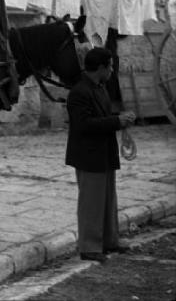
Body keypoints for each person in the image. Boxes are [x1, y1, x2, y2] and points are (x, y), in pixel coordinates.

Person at [65, 47, 136, 263]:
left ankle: (109, 240)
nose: (112, 71)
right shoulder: (79, 92)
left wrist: (119, 118)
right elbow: (84, 125)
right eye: (111, 66)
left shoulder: (99, 87)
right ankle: (89, 246)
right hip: (88, 155)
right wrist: (117, 121)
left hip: (103, 152)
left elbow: (101, 117)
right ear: (102, 68)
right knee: (91, 203)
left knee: (107, 199)